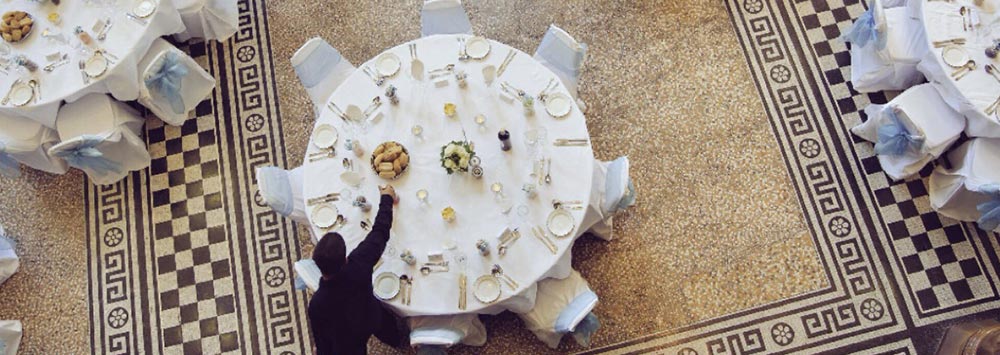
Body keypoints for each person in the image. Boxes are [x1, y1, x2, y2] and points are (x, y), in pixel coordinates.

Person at [308, 185, 403, 355]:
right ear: (344, 259)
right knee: (386, 326)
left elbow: (322, 339)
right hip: (370, 315)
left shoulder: (317, 304)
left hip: (349, 342)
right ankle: (396, 340)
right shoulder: (359, 263)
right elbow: (380, 232)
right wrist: (386, 198)